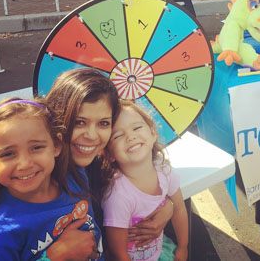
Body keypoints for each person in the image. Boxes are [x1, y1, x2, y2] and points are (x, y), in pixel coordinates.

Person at [44, 68, 173, 260]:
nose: (91, 135)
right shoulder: (36, 183)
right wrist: (51, 257)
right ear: (57, 119)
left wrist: (167, 208)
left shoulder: (101, 166)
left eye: (103, 123)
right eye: (79, 122)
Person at [0, 97, 100, 260]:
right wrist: (53, 257)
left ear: (56, 145)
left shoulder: (75, 177)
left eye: (36, 147)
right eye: (8, 154)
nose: (24, 164)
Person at [101, 100, 188, 261]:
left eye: (137, 127)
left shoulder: (164, 171)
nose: (130, 136)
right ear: (109, 154)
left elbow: (179, 209)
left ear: (153, 132)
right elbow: (118, 253)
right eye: (118, 136)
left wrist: (182, 248)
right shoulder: (118, 197)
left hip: (161, 252)